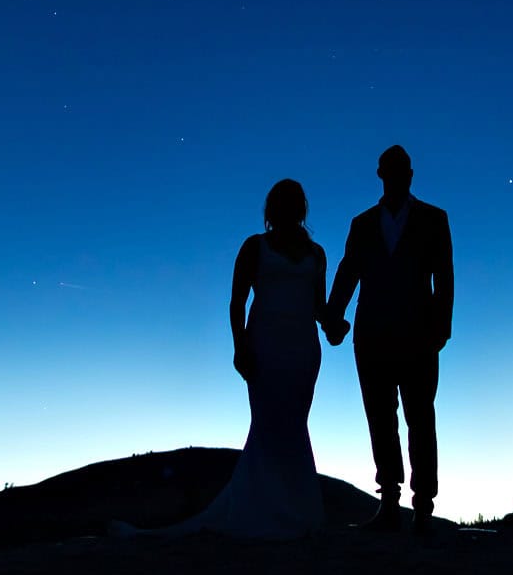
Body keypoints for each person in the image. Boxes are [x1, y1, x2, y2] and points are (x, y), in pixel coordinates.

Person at [121, 179, 350, 540]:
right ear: (272, 209)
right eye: (282, 202)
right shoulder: (254, 247)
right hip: (265, 346)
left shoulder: (317, 254)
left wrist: (335, 324)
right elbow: (237, 302)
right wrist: (239, 345)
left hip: (303, 351)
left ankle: (295, 510)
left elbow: (318, 306)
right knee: (268, 425)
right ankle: (263, 509)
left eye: (295, 202)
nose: (289, 208)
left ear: (302, 208)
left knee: (293, 426)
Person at [327, 145, 454, 533]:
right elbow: (349, 271)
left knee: (420, 418)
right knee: (380, 419)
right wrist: (334, 315)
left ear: (411, 175)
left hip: (419, 337)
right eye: (390, 171)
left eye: (402, 171)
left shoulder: (434, 219)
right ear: (381, 175)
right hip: (372, 338)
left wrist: (441, 328)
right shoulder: (362, 224)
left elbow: (444, 278)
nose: (397, 177)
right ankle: (389, 502)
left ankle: (423, 506)